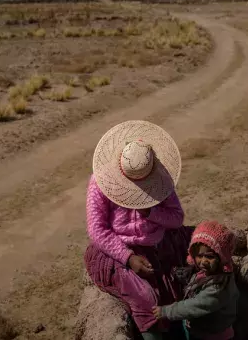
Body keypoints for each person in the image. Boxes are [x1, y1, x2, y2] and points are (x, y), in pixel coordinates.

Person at [84, 120, 192, 340]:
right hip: (120, 247)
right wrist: (128, 257)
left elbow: (177, 218)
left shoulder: (160, 179)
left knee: (177, 291)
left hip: (159, 244)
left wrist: (151, 213)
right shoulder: (100, 182)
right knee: (146, 298)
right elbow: (97, 229)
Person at [152, 221, 240, 340]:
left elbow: (194, 306)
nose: (203, 261)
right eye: (199, 256)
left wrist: (166, 311)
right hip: (201, 330)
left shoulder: (218, 286)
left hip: (213, 336)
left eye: (209, 257)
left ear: (222, 257)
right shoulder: (207, 272)